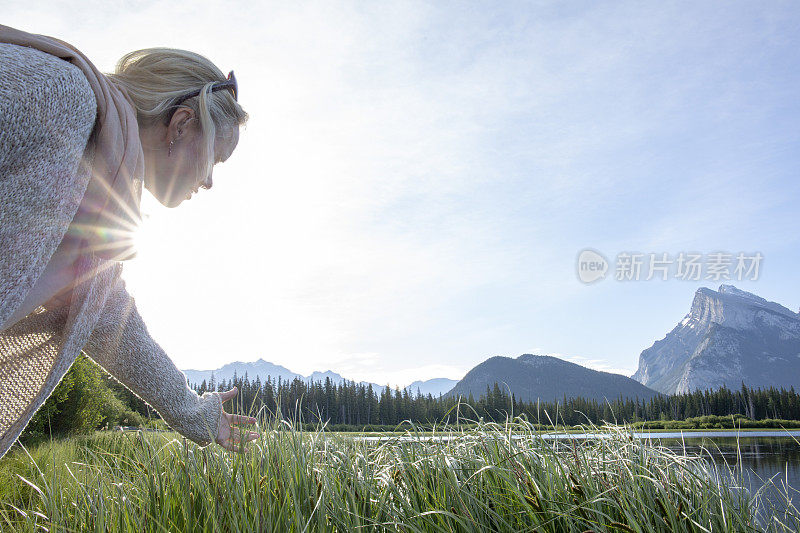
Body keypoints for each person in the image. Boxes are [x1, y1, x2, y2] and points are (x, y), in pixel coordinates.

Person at [0, 24, 259, 459]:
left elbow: (111, 322)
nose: (211, 181)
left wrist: (196, 413)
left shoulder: (101, 203)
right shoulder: (59, 94)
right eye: (215, 158)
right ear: (181, 124)